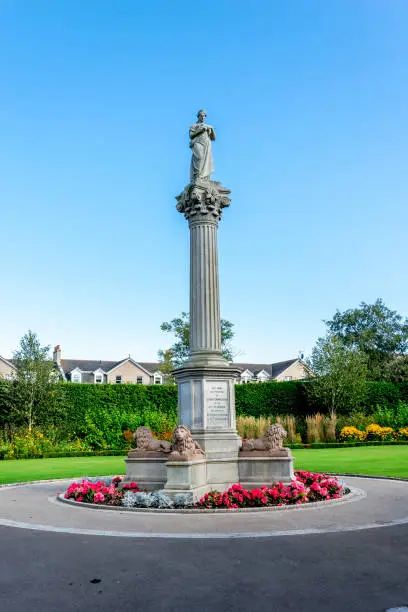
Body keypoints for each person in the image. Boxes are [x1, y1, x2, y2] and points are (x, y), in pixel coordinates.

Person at [189, 109, 216, 182]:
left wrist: (212, 129)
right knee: (199, 157)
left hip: (207, 144)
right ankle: (197, 176)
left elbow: (214, 138)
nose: (203, 117)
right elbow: (191, 135)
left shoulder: (208, 126)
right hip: (197, 142)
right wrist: (200, 130)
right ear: (198, 116)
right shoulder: (194, 126)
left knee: (207, 160)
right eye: (201, 116)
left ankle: (204, 176)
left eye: (204, 116)